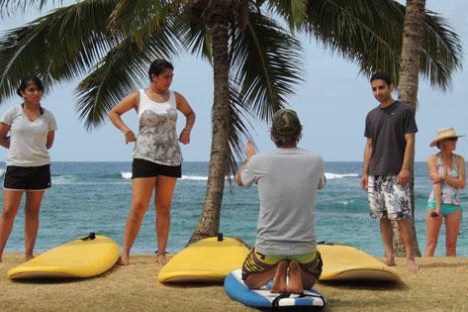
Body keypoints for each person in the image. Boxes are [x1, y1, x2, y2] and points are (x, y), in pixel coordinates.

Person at [109, 59, 195, 266]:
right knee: (139, 206)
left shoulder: (175, 97)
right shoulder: (139, 96)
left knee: (163, 207)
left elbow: (191, 114)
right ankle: (126, 252)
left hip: (171, 158)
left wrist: (186, 130)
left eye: (171, 77)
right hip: (144, 157)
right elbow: (114, 112)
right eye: (166, 77)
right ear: (154, 77)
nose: (169, 81)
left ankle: (161, 253)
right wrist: (126, 130)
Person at [236, 109, 325, 294]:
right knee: (314, 273)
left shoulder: (258, 161)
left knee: (249, 278)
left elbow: (240, 180)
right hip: (305, 250)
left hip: (268, 249)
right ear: (299, 132)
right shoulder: (315, 160)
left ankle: (276, 269)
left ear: (273, 134)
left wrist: (250, 159)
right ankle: (294, 273)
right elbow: (320, 184)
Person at [360, 71, 418, 271]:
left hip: (396, 173)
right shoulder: (371, 115)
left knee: (401, 217)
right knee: (382, 217)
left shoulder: (404, 111)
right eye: (374, 89)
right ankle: (390, 256)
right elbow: (369, 145)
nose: (377, 92)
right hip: (375, 174)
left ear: (391, 87)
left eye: (381, 88)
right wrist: (365, 172)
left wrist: (405, 169)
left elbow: (410, 140)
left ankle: (410, 258)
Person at [0, 76, 57, 263]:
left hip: (39, 168)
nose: (36, 93)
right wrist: (15, 146)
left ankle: (28, 254)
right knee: (8, 211)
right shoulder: (13, 112)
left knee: (32, 212)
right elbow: (1, 136)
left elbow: (48, 143)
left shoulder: (48, 116)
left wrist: (29, 147)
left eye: (39, 89)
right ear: (23, 93)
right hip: (16, 167)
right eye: (31, 90)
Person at [424, 127, 465, 257]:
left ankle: (452, 275)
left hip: (454, 206)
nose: (455, 141)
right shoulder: (432, 160)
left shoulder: (459, 160)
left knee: (451, 245)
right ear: (443, 143)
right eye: (452, 139)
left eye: (455, 139)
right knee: (431, 244)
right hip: (435, 204)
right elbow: (436, 183)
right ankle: (424, 273)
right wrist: (437, 207)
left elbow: (462, 183)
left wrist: (444, 177)